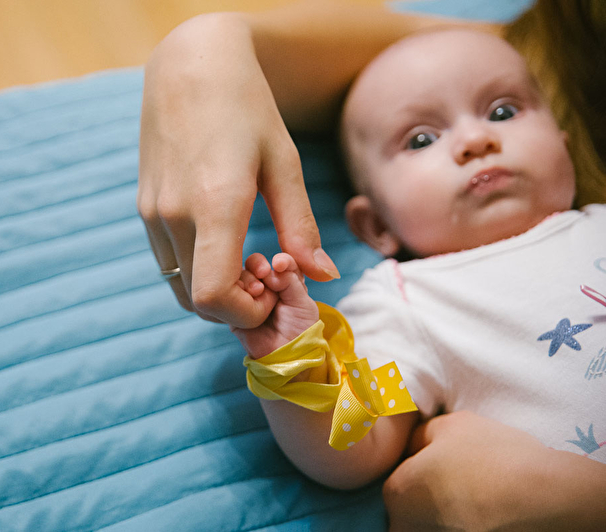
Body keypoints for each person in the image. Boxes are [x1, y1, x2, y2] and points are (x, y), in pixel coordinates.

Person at [138, 1, 606, 528]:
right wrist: (296, 364)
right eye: (421, 139)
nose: (477, 141)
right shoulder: (409, 301)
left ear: (566, 145)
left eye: (502, 112)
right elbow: (355, 438)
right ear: (376, 225)